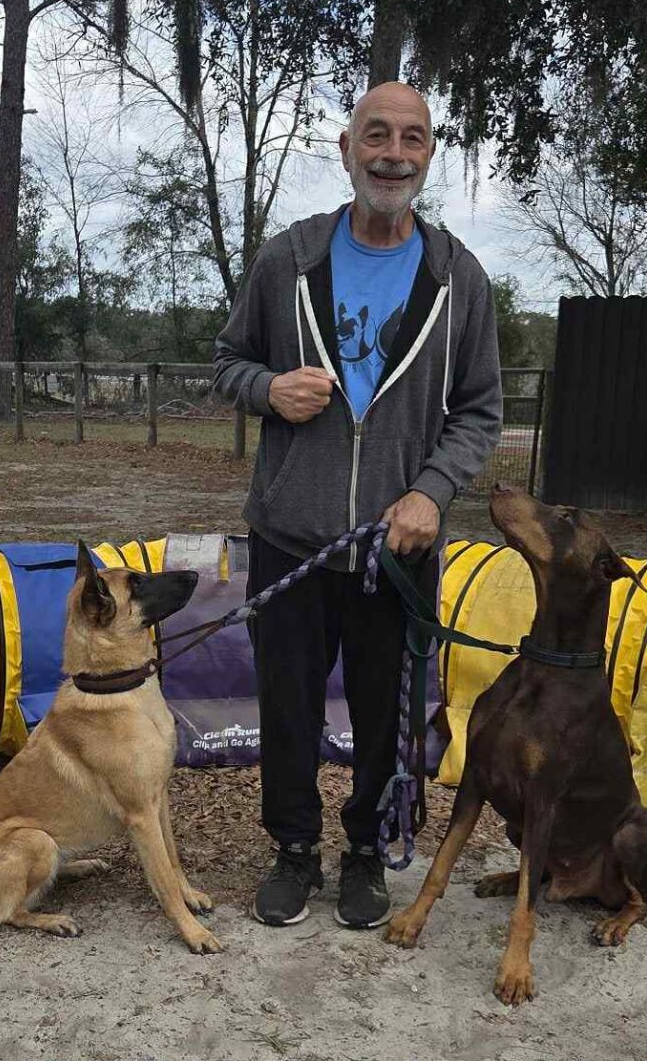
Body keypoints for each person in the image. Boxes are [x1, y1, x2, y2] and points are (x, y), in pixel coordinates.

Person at [213, 82, 503, 929]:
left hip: (397, 547)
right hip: (291, 536)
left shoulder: (459, 278)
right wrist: (270, 389)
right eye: (376, 135)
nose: (393, 154)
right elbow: (228, 363)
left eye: (412, 139)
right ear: (346, 150)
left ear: (429, 155)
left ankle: (368, 852)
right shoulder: (288, 259)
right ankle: (294, 849)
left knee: (386, 713)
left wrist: (432, 492)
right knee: (288, 706)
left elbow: (479, 410)